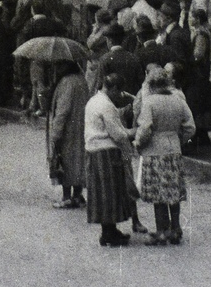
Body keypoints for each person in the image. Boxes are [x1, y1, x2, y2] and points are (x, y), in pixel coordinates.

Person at [133, 63, 196, 243]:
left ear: (151, 84)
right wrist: (179, 139)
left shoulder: (150, 102)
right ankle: (175, 229)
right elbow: (190, 127)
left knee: (158, 194)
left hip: (154, 151)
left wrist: (138, 143)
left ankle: (161, 231)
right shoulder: (178, 100)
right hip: (174, 149)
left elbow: (145, 128)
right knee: (172, 191)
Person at [85, 71, 137, 247]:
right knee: (110, 192)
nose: (119, 95)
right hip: (106, 151)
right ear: (113, 88)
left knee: (102, 192)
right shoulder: (107, 106)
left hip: (93, 150)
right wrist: (134, 132)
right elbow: (117, 134)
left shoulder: (93, 101)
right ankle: (108, 233)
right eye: (118, 91)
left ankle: (110, 230)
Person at [47, 60, 88, 207]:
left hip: (68, 130)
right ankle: (77, 195)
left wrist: (55, 133)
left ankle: (66, 197)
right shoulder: (81, 80)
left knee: (65, 161)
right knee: (78, 161)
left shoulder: (66, 82)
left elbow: (62, 111)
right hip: (81, 126)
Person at [184, 8, 211, 149]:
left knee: (197, 102)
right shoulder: (200, 32)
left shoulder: (200, 34)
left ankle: (200, 134)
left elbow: (198, 55)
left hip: (199, 74)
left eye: (191, 16)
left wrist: (187, 60)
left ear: (198, 19)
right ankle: (202, 134)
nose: (190, 19)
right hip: (202, 74)